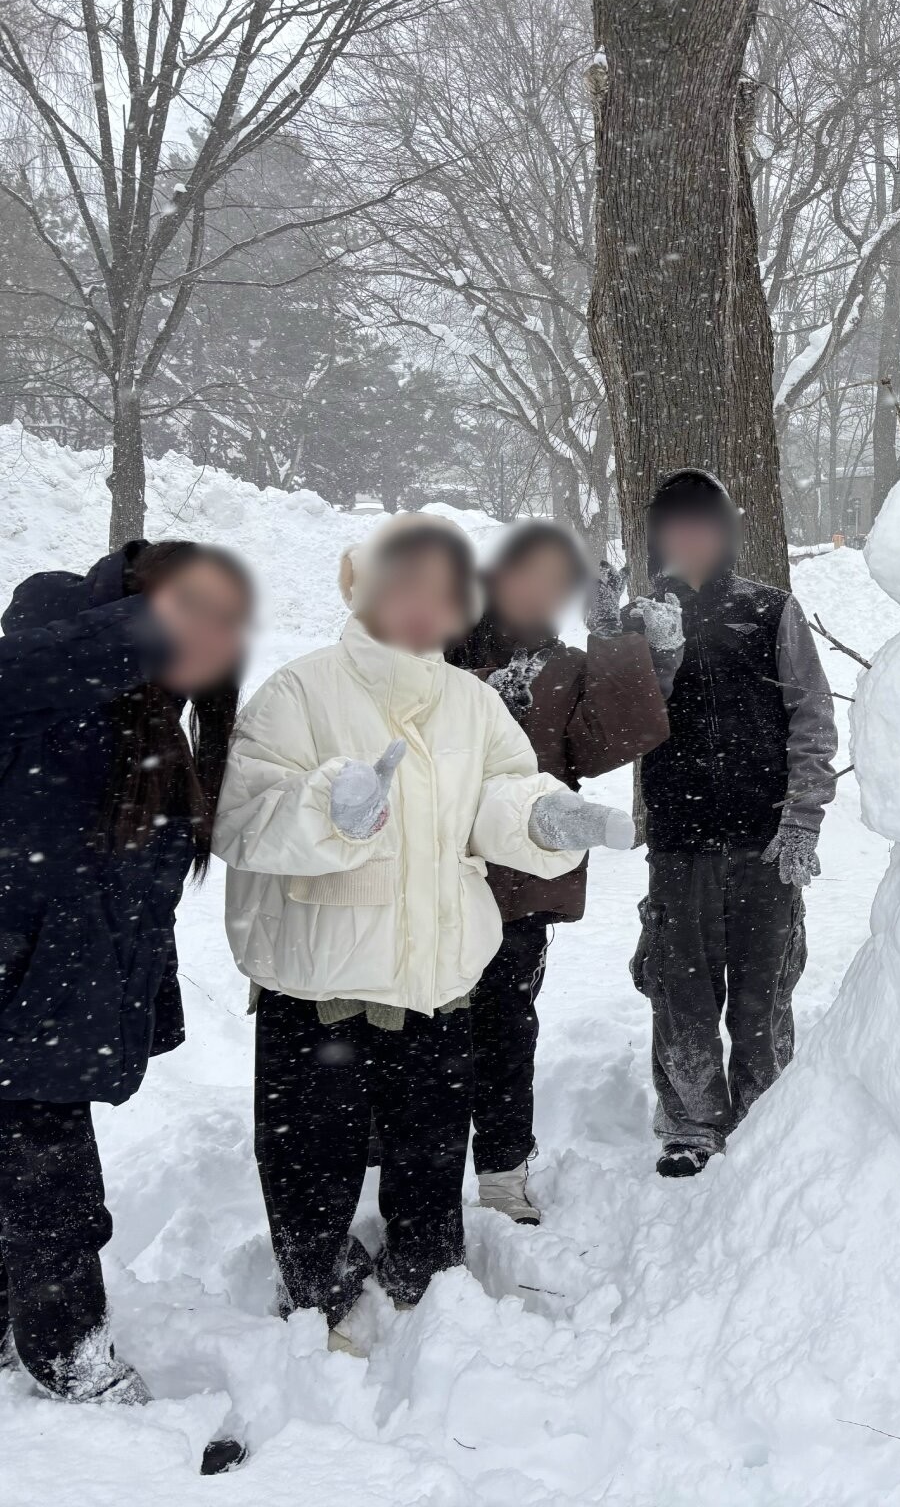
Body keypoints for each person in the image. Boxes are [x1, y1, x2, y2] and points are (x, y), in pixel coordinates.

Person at [214, 514, 636, 1351]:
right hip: (319, 988)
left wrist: (545, 818)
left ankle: (426, 1278)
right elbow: (242, 819)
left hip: (438, 980)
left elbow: (499, 797)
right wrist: (324, 806)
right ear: (361, 590)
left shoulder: (472, 704)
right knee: (312, 1165)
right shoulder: (299, 693)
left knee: (432, 1151)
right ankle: (317, 1298)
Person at [0, 541, 252, 1406]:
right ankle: (72, 1357)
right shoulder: (50, 656)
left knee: (35, 1169)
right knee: (54, 1187)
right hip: (21, 983)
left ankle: (16, 1325)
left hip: (56, 990)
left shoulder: (154, 727)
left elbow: (129, 888)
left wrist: (150, 997)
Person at [446, 522, 678, 1225]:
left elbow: (618, 737)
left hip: (521, 887)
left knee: (505, 1029)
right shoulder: (441, 644)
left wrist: (615, 643)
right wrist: (482, 683)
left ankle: (501, 1174)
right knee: (417, 1032)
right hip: (434, 876)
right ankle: (399, 1170)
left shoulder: (565, 667)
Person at [634, 468, 837, 1179]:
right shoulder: (644, 617)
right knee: (682, 991)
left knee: (763, 993)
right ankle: (691, 1121)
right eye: (676, 526)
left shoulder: (770, 610)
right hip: (678, 841)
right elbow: (625, 728)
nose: (690, 538)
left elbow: (812, 717)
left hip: (764, 839)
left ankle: (765, 1112)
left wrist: (803, 819)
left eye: (703, 524)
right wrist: (646, 653)